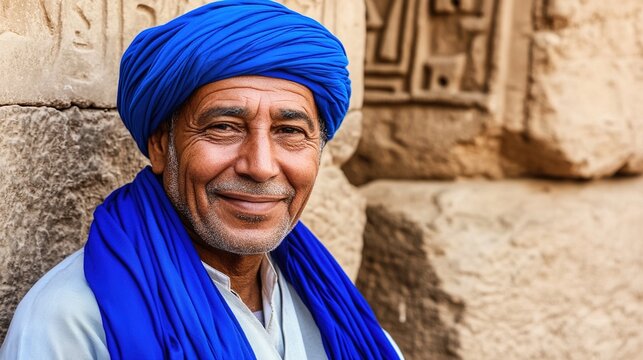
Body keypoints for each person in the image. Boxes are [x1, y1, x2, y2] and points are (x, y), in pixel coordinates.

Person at [0, 1, 403, 359]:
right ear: (160, 146)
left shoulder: (338, 317)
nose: (260, 166)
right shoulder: (74, 320)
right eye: (224, 127)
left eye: (290, 131)